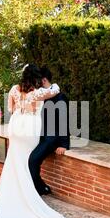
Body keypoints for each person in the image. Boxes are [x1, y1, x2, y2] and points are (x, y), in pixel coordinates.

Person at [0, 64, 84, 218]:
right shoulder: (38, 93)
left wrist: (63, 143)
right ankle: (28, 196)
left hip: (15, 128)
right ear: (38, 79)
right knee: (26, 161)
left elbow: (11, 109)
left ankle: (11, 196)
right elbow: (55, 89)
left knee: (15, 161)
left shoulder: (14, 89)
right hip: (29, 131)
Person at [29, 66, 70, 196]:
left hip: (51, 138)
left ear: (44, 80)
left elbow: (64, 121)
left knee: (33, 160)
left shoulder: (60, 98)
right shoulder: (42, 96)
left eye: (37, 80)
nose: (35, 83)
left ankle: (41, 189)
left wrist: (63, 144)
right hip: (40, 136)